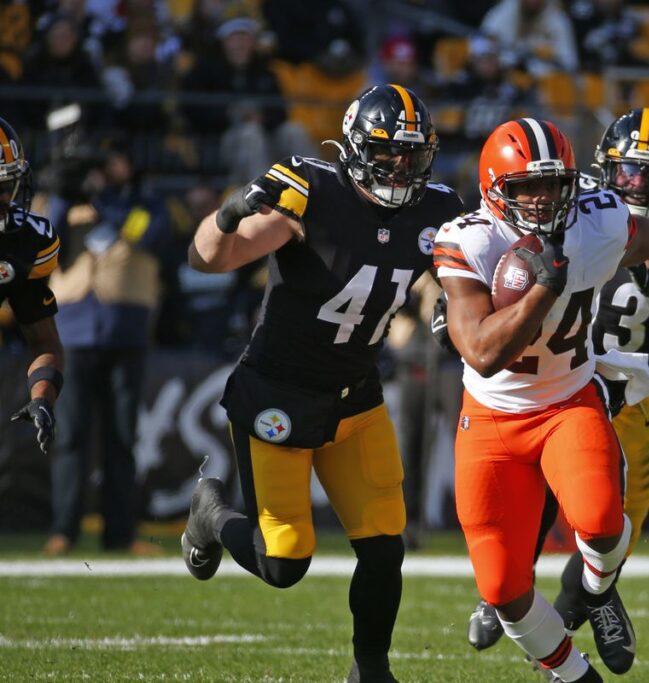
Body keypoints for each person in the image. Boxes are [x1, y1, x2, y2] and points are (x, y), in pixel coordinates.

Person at [182, 85, 463, 683]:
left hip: (355, 395)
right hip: (278, 392)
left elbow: (456, 278)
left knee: (385, 544)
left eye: (412, 156)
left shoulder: (438, 209)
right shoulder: (312, 191)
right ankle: (210, 513)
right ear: (357, 149)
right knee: (283, 562)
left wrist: (450, 307)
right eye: (387, 154)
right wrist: (228, 214)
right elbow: (209, 259)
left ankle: (371, 670)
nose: (400, 169)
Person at [436, 117, 649, 682]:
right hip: (491, 419)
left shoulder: (597, 219)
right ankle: (575, 675)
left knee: (602, 522)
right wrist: (543, 289)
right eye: (525, 186)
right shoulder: (470, 239)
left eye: (552, 185)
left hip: (567, 401)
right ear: (493, 189)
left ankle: (593, 591)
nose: (540, 199)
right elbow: (483, 354)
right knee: (502, 588)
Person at [44, 144, 171, 556]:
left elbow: (145, 234)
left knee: (121, 437)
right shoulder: (68, 203)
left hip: (125, 333)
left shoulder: (145, 204)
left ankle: (119, 534)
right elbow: (45, 238)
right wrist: (65, 191)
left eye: (113, 161)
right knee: (71, 436)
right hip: (74, 332)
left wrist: (100, 205)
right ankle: (63, 531)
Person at [0, 117, 63, 456]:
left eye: (7, 184)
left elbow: (45, 342)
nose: (5, 197)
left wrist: (42, 396)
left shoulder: (24, 242)